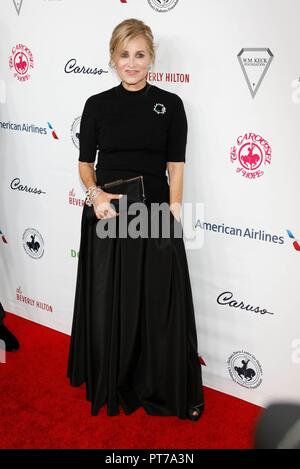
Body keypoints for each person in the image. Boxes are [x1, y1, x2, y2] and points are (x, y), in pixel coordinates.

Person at [67, 18, 204, 421]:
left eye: (140, 54)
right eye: (124, 54)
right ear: (112, 58)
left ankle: (160, 384)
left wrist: (174, 212)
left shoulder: (171, 104)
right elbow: (84, 166)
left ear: (151, 58)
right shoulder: (96, 105)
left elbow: (175, 167)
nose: (132, 63)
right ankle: (113, 375)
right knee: (109, 299)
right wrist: (96, 196)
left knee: (159, 302)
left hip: (154, 213)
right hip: (107, 211)